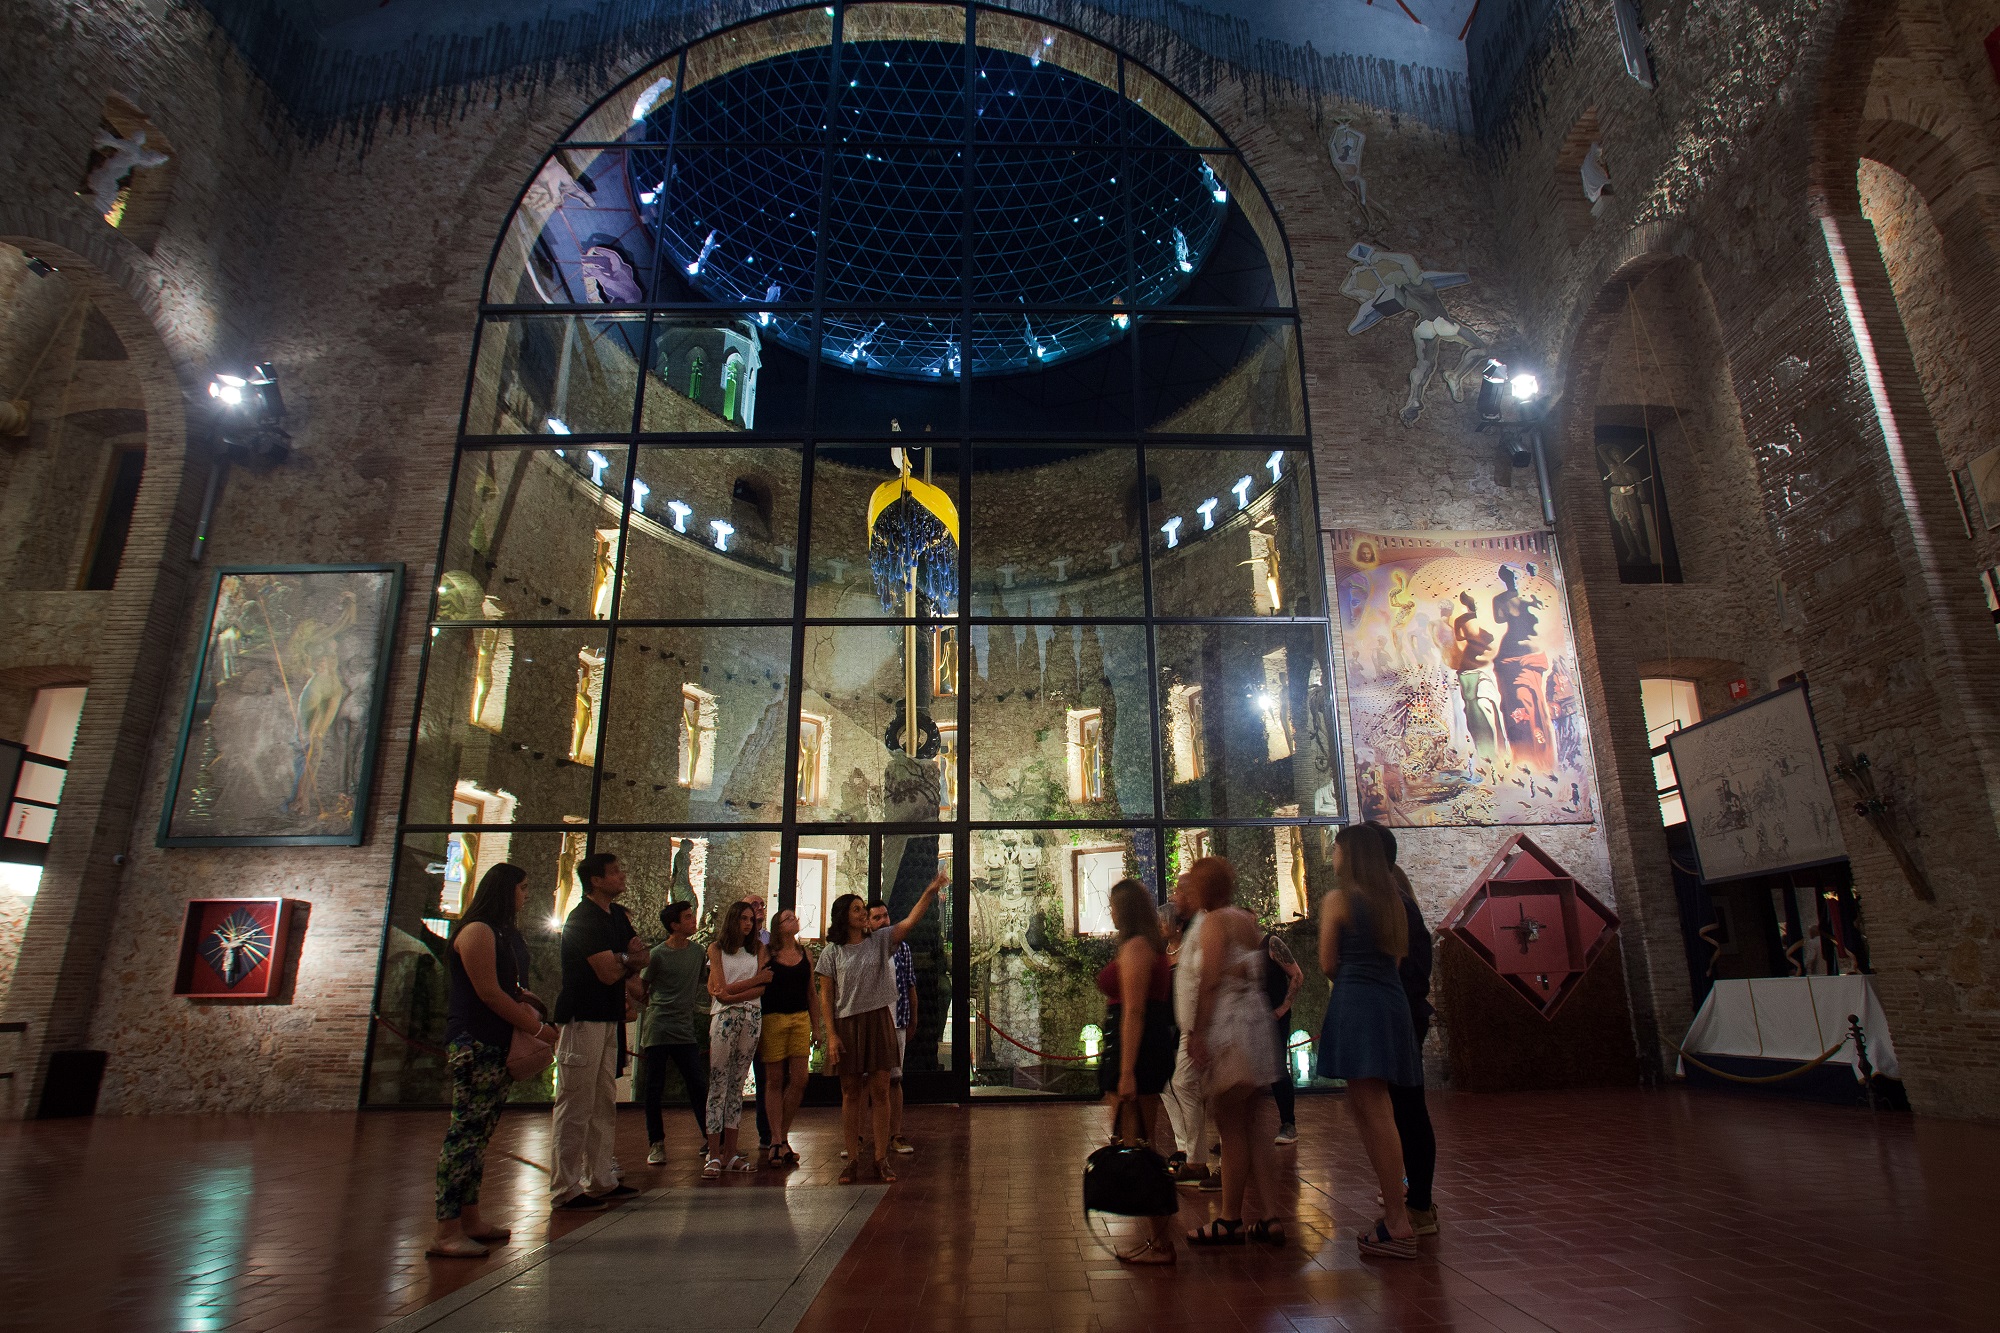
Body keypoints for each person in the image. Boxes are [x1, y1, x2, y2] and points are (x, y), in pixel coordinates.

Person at [430, 864, 552, 1257]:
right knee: (464, 1135)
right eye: (523, 887)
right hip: (475, 1040)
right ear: (504, 891)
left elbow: (509, 987)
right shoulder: (478, 930)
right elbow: (489, 993)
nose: (526, 894)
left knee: (480, 1135)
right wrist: (538, 1030)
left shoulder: (502, 932)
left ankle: (469, 1216)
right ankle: (447, 1230)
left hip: (496, 1041)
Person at [1317, 823, 1424, 1259]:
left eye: (1337, 848)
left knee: (1373, 1110)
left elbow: (1327, 962)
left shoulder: (1339, 900)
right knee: (1380, 1109)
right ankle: (1397, 1211)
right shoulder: (1397, 903)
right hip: (1390, 1001)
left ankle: (1397, 1222)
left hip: (1357, 1001)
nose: (1334, 854)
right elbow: (1398, 960)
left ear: (1351, 855)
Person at [1184, 857, 1288, 1247]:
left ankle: (1230, 1218)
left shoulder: (1214, 922)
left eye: (1192, 885)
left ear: (1205, 889)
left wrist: (1198, 1031)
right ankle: (1272, 1216)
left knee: (1230, 1125)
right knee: (1256, 1124)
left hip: (1229, 1026)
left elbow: (1210, 980)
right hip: (1257, 1023)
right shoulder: (1246, 919)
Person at [819, 870, 946, 1184]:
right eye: (857, 909)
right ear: (844, 917)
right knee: (850, 1093)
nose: (864, 914)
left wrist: (929, 892)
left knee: (880, 1090)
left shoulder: (880, 941)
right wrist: (830, 1035)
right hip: (847, 1023)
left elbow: (909, 921)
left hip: (878, 1019)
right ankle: (852, 1158)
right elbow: (826, 997)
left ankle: (880, 1159)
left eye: (865, 909)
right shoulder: (832, 952)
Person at [550, 852, 646, 1211]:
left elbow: (642, 957)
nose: (622, 875)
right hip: (583, 1016)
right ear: (595, 880)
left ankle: (601, 1177)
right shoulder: (583, 919)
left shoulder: (616, 917)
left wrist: (624, 960)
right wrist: (626, 960)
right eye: (615, 871)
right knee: (576, 1101)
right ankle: (566, 1186)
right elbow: (608, 971)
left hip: (609, 1018)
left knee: (604, 1098)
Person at [1098, 878, 1180, 1265]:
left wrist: (1126, 1071)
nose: (1110, 911)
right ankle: (1158, 1236)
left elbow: (1134, 1010)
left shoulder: (1135, 948)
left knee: (1138, 1145)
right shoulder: (1149, 946)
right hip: (1143, 1050)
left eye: (1113, 905)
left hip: (1136, 1052)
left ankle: (1161, 1240)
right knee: (1138, 1143)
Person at [1370, 821, 1439, 1236]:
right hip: (1403, 1012)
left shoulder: (1393, 904)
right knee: (1402, 1109)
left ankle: (1418, 1203)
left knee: (1408, 1110)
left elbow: (1396, 966)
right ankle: (1414, 1195)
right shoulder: (1395, 900)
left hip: (1401, 1014)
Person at [703, 899, 771, 1178]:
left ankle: (731, 1151)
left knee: (738, 1083)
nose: (747, 924)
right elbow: (719, 989)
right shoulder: (716, 949)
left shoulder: (759, 949)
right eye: (743, 918)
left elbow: (763, 984)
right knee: (718, 1081)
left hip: (751, 1016)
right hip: (724, 1017)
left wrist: (734, 993)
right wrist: (749, 985)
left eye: (751, 920)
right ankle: (713, 1152)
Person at [639, 901, 710, 1166]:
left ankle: (710, 1138)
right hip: (659, 1026)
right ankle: (656, 1142)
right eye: (688, 917)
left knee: (697, 1083)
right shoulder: (657, 954)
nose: (694, 921)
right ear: (674, 925)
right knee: (654, 1087)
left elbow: (704, 980)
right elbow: (643, 986)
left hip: (684, 1028)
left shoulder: (698, 952)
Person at [1160, 872, 1217, 1192]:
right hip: (1190, 1025)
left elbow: (1205, 978)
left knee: (1187, 1082)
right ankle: (1197, 1157)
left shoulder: (1207, 925)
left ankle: (1204, 1158)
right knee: (1183, 1084)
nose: (1176, 895)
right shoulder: (1198, 926)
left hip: (1199, 1025)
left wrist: (1197, 1027)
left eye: (1181, 890)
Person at [759, 907, 820, 1167]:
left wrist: (816, 1026)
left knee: (800, 1079)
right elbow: (759, 984)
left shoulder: (805, 954)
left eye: (794, 916)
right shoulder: (768, 953)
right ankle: (776, 1139)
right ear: (778, 926)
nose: (793, 920)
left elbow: (811, 993)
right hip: (773, 1018)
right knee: (774, 1079)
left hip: (798, 1018)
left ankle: (781, 1134)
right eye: (787, 918)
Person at [868, 900, 917, 1156]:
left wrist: (913, 1018)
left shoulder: (903, 950)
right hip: (870, 1021)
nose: (884, 922)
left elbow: (910, 984)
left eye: (886, 916)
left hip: (897, 1019)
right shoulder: (861, 950)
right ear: (867, 922)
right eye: (877, 918)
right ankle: (864, 1135)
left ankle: (895, 1133)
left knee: (895, 1079)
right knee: (867, 1080)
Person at [1265, 928, 1304, 1146]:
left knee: (1277, 1069)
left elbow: (1297, 975)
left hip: (1275, 1017)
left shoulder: (1271, 944)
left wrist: (1282, 1008)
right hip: (1252, 1020)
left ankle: (1288, 1123)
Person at [745, 893, 773, 1149]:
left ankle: (766, 1134)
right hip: (739, 1010)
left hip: (763, 1012)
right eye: (753, 905)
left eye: (761, 904)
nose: (759, 908)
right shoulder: (732, 943)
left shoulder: (769, 941)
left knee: (765, 1076)